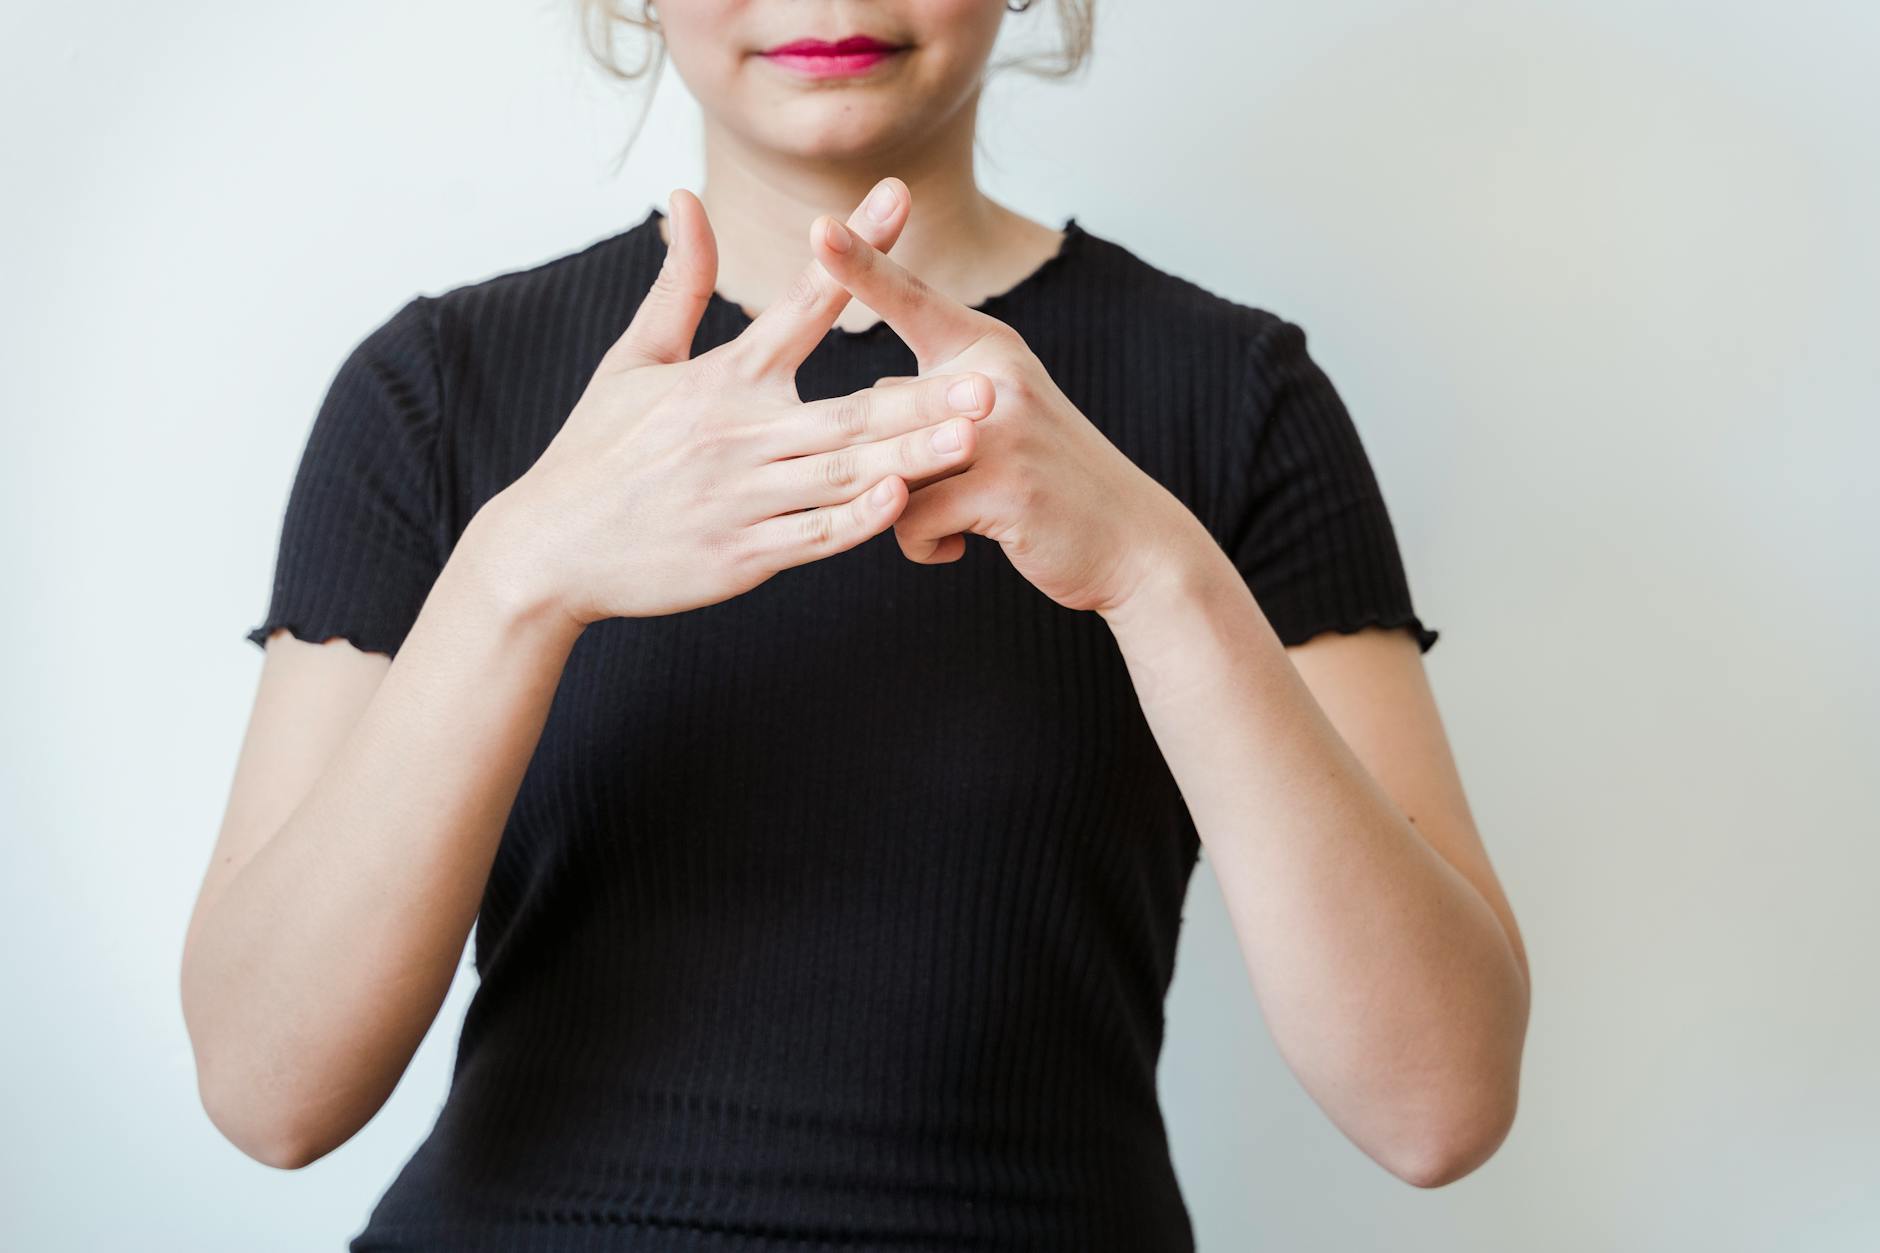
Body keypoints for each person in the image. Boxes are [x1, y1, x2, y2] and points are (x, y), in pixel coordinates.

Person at [181, 1, 1531, 1248]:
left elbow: (1435, 1105)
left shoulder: (1237, 399)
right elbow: (267, 1091)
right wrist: (520, 572)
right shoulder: (436, 393)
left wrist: (1152, 568)